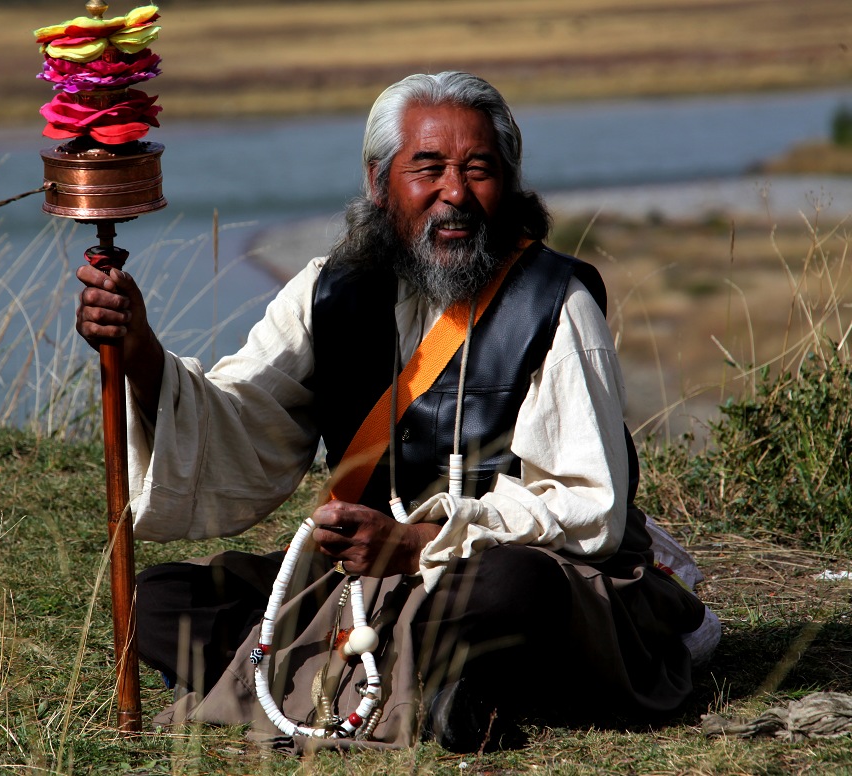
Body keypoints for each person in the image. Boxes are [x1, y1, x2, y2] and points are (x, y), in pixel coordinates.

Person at [75, 71, 708, 752]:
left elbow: (589, 509)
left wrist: (417, 545)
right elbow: (241, 418)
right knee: (156, 600)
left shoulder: (557, 304)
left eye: (479, 170)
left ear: (511, 184)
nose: (455, 194)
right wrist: (140, 353)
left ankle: (390, 678)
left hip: (497, 574)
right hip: (361, 585)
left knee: (510, 587)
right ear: (380, 183)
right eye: (427, 169)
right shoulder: (328, 292)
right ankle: (450, 685)